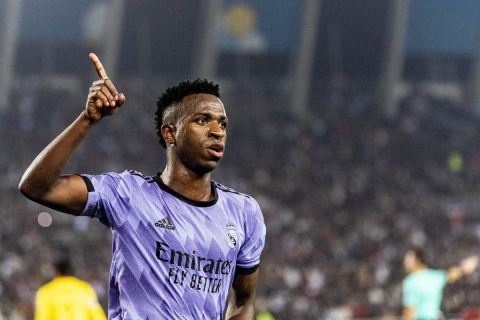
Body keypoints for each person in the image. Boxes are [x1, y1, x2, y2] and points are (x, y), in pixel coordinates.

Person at [19, 53, 266, 319]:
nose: (218, 131)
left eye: (223, 123)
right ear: (169, 133)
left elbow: (243, 302)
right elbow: (37, 187)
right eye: (203, 120)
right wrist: (87, 120)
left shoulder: (244, 213)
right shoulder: (128, 195)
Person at [401, 248, 478, 320]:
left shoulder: (410, 281)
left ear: (418, 260)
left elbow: (409, 311)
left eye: (408, 260)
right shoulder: (434, 277)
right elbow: (451, 275)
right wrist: (463, 268)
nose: (405, 263)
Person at [35, 257, 107, 320]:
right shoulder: (84, 289)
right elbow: (97, 315)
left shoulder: (46, 292)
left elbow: (42, 317)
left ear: (56, 272)